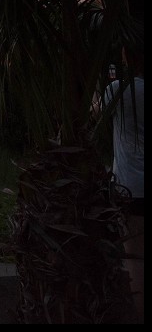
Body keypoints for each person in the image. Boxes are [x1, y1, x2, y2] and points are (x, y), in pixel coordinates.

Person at [93, 44, 144, 322]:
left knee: (135, 259)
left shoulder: (118, 91)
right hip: (132, 189)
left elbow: (95, 117)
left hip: (132, 189)